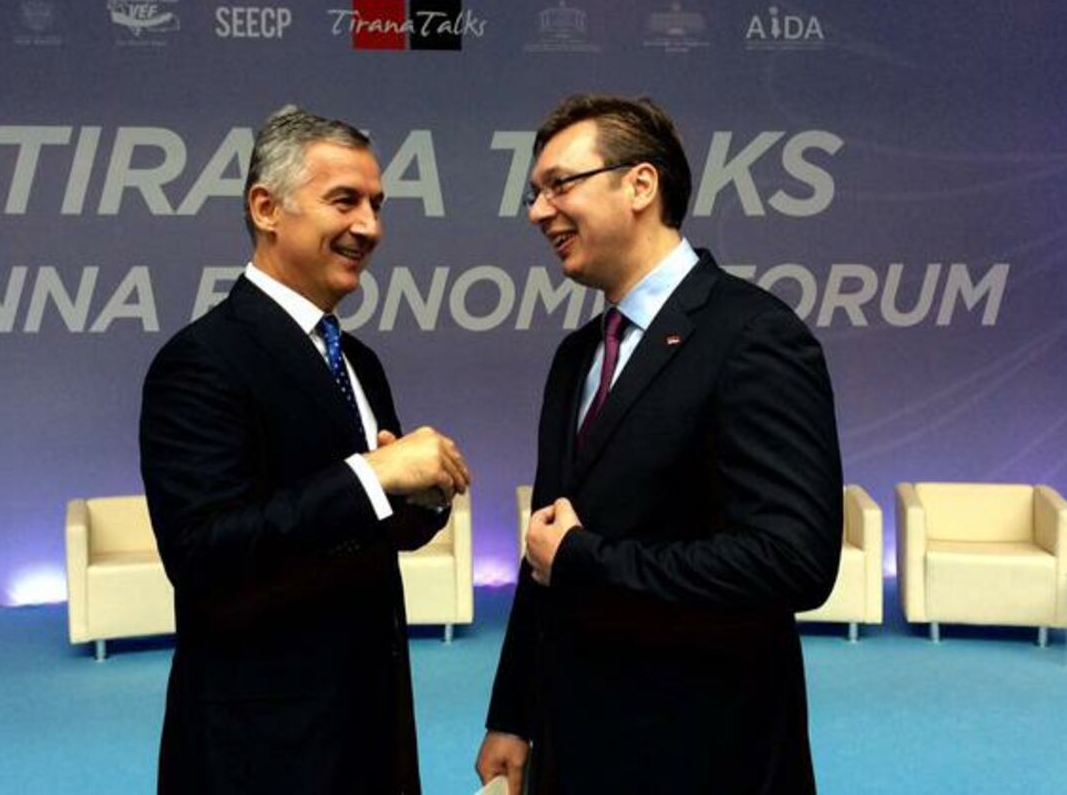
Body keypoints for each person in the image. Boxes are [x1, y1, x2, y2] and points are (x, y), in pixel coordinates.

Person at [475, 94, 843, 794]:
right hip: (575, 746)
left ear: (640, 184)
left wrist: (589, 561)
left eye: (559, 184)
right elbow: (545, 546)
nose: (537, 211)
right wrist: (513, 716)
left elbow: (793, 562)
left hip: (706, 753)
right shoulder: (576, 356)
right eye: (533, 193)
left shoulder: (753, 336)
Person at [140, 106, 469, 794]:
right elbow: (204, 555)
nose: (369, 227)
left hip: (373, 730)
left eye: (377, 205)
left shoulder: (359, 361)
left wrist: (421, 499)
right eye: (344, 201)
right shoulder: (201, 361)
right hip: (262, 751)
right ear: (266, 208)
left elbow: (361, 529)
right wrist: (371, 474)